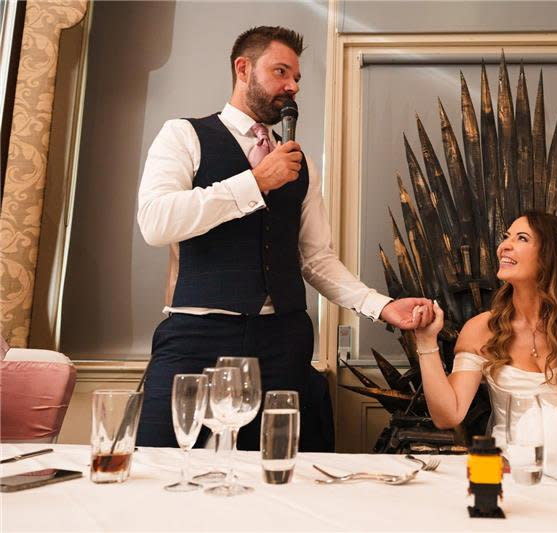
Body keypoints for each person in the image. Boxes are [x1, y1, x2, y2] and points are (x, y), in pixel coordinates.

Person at [136, 26, 432, 451]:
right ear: (243, 69)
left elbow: (315, 259)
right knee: (158, 461)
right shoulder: (183, 135)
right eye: (280, 72)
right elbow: (155, 222)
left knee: (279, 474)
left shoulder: (303, 164)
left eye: (296, 79)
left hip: (284, 341)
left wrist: (381, 306)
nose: (292, 87)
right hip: (196, 336)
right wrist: (254, 182)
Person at [413, 211, 557, 453]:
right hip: (510, 471)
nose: (504, 246)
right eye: (506, 237)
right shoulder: (481, 329)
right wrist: (426, 341)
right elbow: (448, 415)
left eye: (521, 239)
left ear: (549, 257)